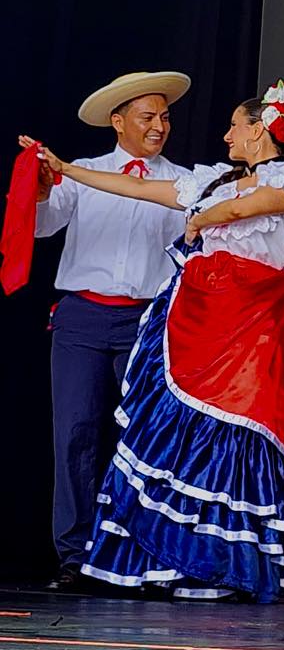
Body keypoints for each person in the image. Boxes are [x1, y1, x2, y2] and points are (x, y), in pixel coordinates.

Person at [20, 79, 284, 601]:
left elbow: (249, 208)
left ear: (259, 131)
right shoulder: (212, 181)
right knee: (159, 440)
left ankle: (230, 561)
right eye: (148, 116)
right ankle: (151, 558)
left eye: (234, 125)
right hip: (191, 325)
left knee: (233, 438)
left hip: (248, 328)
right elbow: (136, 189)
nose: (223, 133)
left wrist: (200, 220)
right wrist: (67, 170)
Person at [26, 71, 192, 592]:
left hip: (147, 322)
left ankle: (140, 555)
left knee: (143, 440)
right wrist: (39, 184)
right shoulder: (85, 173)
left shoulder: (182, 183)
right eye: (148, 117)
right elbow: (40, 225)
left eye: (165, 116)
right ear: (118, 122)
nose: (160, 126)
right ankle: (75, 554)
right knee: (74, 432)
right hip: (81, 318)